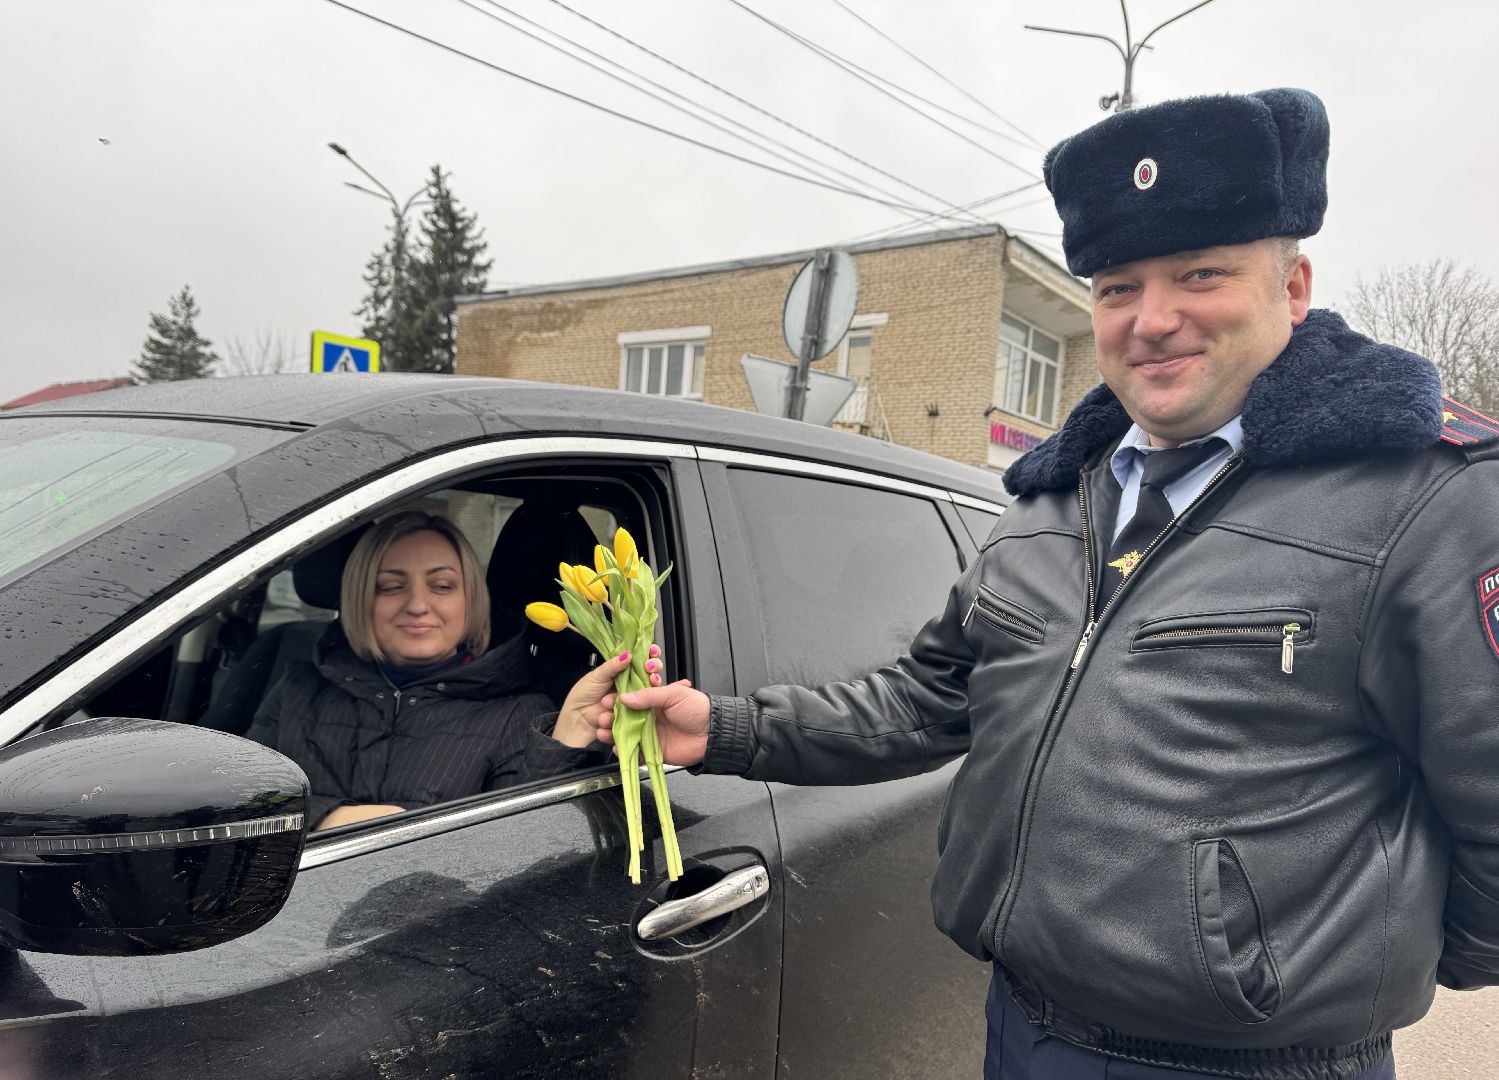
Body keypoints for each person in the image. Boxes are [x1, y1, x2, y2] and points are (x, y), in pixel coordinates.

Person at [583, 89, 1499, 1079]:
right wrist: (721, 729)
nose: (1152, 320)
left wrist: (1355, 966)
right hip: (1022, 1026)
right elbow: (925, 701)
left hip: (1247, 1063)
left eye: (1200, 273)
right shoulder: (1051, 500)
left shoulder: (1420, 501)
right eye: (1117, 287)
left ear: (1293, 285)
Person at [247, 508, 664, 830]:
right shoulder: (298, 689)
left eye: (442, 585)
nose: (417, 605)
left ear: (471, 601)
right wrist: (327, 817)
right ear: (361, 599)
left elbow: (523, 851)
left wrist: (565, 741)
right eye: (391, 586)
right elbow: (239, 800)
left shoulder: (522, 713)